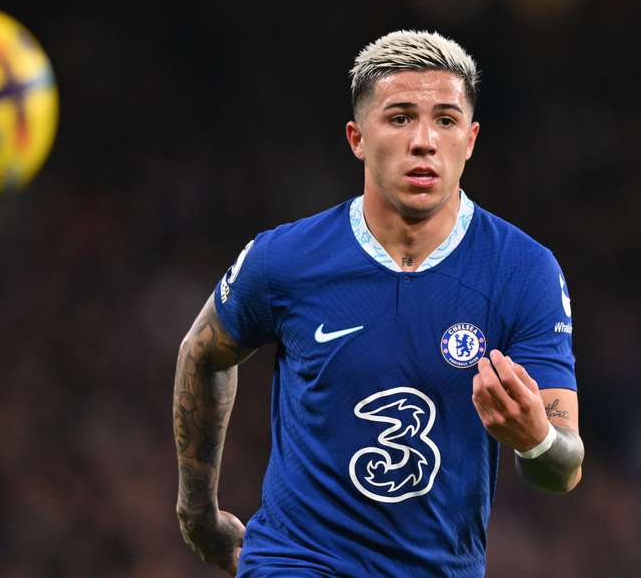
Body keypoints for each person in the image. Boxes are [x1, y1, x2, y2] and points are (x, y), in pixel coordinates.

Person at [173, 29, 584, 577]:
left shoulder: (523, 271)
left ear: (471, 138)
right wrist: (197, 511)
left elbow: (563, 468)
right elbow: (203, 354)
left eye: (445, 119)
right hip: (296, 562)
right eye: (399, 117)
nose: (423, 141)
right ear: (356, 137)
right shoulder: (284, 259)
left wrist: (534, 439)